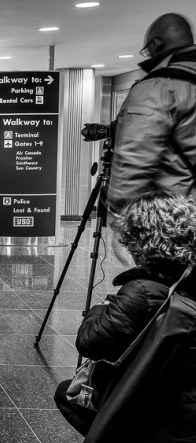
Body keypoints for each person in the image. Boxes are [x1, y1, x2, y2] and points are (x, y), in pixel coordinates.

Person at [54, 191, 196, 441]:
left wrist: (101, 307)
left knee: (68, 394)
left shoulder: (141, 290)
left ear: (140, 239)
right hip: (182, 397)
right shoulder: (188, 278)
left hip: (148, 402)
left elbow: (90, 341)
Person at [107, 13, 196, 213]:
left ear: (156, 43)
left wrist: (121, 217)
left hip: (174, 219)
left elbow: (133, 160)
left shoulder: (158, 87)